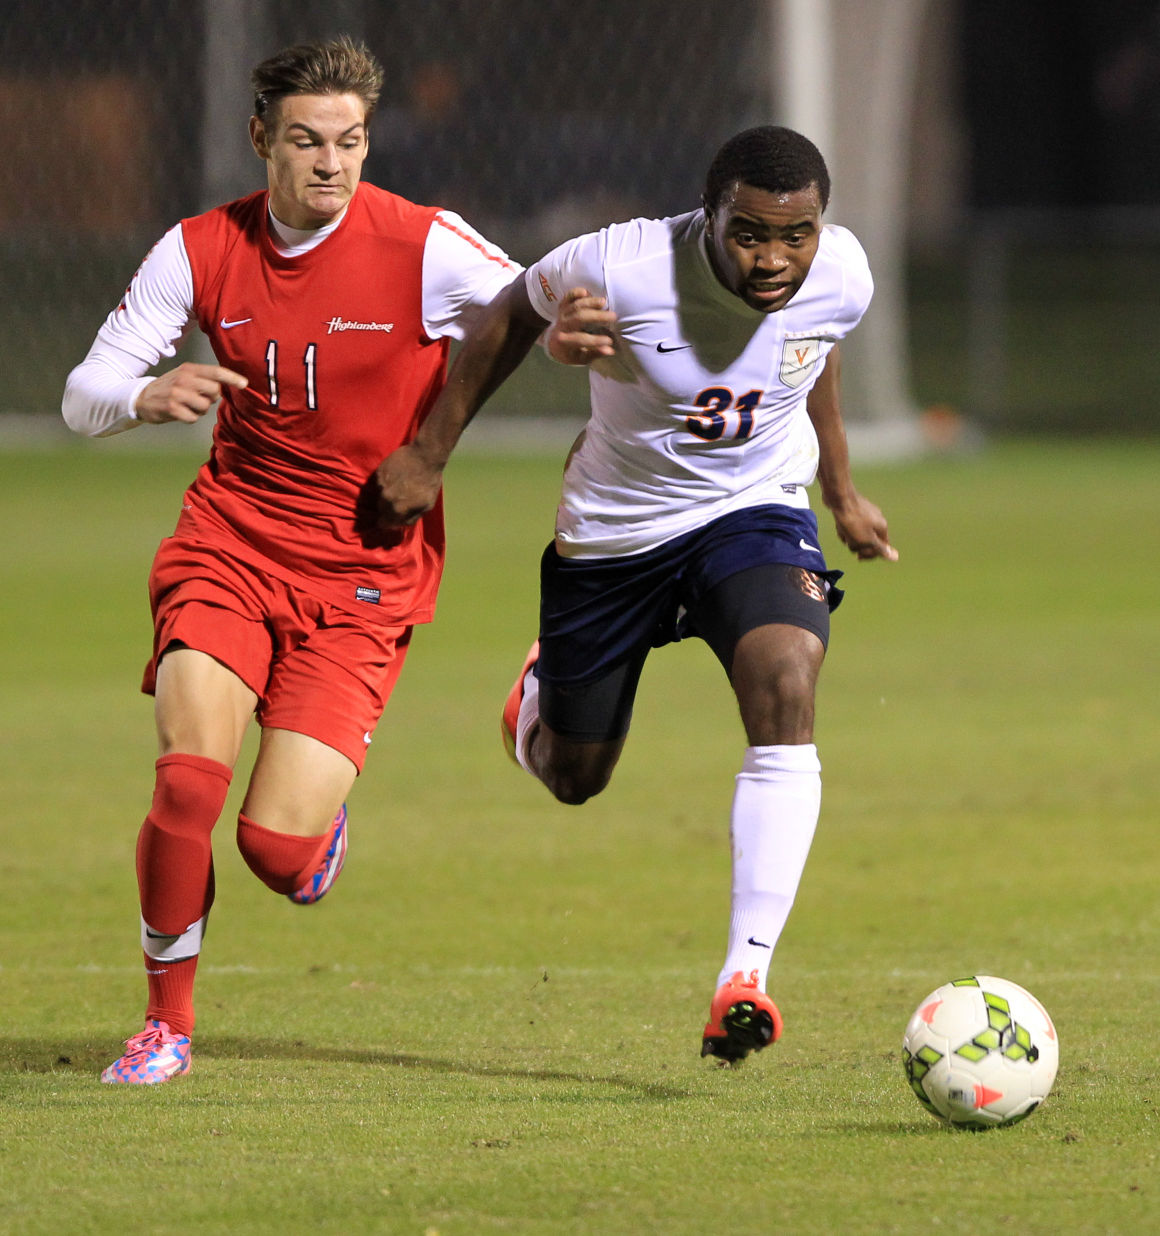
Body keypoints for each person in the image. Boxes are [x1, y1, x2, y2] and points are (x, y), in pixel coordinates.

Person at [375, 125, 898, 1064]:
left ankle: (745, 976)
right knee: (575, 776)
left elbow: (811, 352)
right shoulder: (618, 263)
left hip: (754, 509)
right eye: (750, 234)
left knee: (787, 678)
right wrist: (429, 451)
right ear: (709, 217)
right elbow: (508, 317)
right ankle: (536, 694)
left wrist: (840, 492)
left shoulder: (844, 272)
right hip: (615, 534)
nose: (775, 259)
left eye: (797, 235)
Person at [62, 37, 524, 1084]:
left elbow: (529, 304)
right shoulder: (199, 248)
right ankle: (165, 1025)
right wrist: (141, 396)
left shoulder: (424, 246)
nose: (331, 164)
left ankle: (309, 837)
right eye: (308, 141)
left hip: (362, 575)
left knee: (271, 850)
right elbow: (80, 394)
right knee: (186, 784)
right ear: (260, 137)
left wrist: (442, 441)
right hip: (228, 546)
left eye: (351, 142)